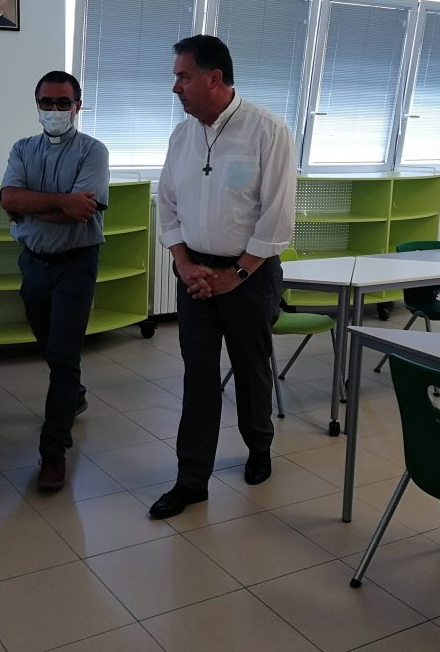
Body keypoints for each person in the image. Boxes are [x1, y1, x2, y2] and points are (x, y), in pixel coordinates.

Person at [150, 35, 296, 520]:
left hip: (249, 274)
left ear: (214, 78)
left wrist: (236, 274)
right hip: (194, 272)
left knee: (251, 368)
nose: (175, 87)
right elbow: (167, 204)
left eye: (183, 76)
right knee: (198, 375)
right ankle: (191, 480)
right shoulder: (182, 137)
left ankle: (259, 448)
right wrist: (184, 263)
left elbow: (277, 216)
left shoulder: (267, 130)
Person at [0, 71, 109, 491]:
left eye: (64, 102)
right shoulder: (22, 149)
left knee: (63, 353)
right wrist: (62, 202)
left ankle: (53, 452)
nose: (55, 110)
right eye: (47, 102)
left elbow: (82, 213)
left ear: (77, 106)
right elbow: (9, 198)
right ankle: (74, 394)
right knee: (48, 343)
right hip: (33, 262)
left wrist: (30, 207)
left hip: (76, 264)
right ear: (37, 105)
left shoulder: (93, 151)